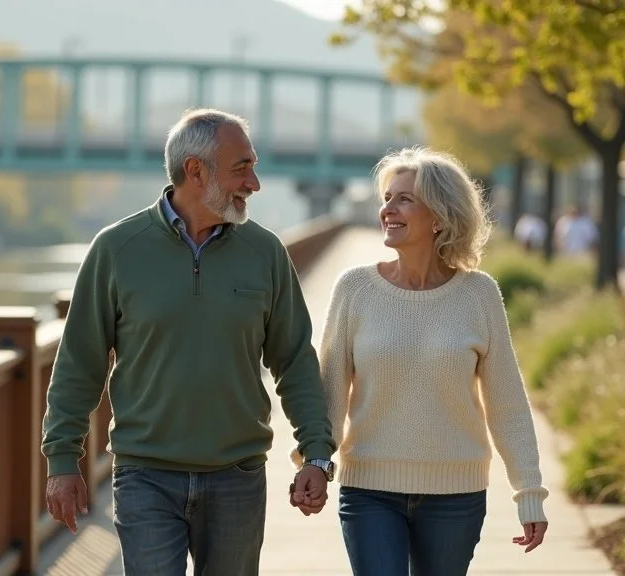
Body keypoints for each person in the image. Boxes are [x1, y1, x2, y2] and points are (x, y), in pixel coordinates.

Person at [41, 108, 336, 575]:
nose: (254, 183)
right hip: (145, 474)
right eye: (242, 168)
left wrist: (316, 453)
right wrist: (62, 459)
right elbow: (79, 363)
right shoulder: (117, 249)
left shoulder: (266, 253)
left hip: (237, 475)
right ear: (195, 171)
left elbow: (295, 360)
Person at [313, 147, 549, 576]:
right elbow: (330, 390)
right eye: (387, 197)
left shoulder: (479, 295)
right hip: (369, 489)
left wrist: (528, 489)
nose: (388, 209)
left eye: (404, 199)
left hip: (455, 494)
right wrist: (314, 461)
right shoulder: (355, 289)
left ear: (439, 215)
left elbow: (507, 403)